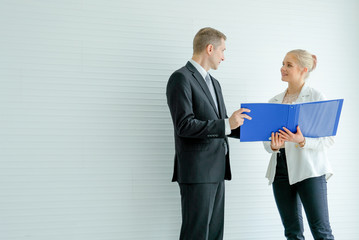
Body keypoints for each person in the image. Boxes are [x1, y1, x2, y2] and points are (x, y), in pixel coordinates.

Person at [166, 27, 251, 240]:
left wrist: (258, 131)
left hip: (217, 170)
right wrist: (226, 123)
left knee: (214, 235)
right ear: (210, 48)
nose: (224, 57)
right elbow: (184, 125)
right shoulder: (181, 78)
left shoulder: (215, 83)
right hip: (197, 172)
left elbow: (222, 124)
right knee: (196, 234)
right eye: (223, 50)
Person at [263, 49, 335, 240]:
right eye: (283, 63)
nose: (283, 68)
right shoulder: (274, 102)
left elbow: (328, 139)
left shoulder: (317, 97)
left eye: (289, 65)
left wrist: (301, 140)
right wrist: (274, 146)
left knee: (321, 231)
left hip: (309, 170)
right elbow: (265, 142)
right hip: (280, 170)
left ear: (304, 69)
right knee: (292, 232)